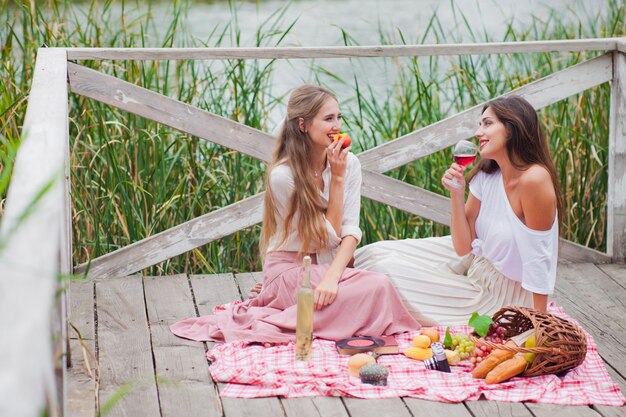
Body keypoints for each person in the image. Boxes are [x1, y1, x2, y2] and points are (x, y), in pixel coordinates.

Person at [171, 85, 418, 344]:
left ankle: (305, 313)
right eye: (328, 118)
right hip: (290, 268)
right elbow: (326, 238)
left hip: (327, 266)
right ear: (303, 124)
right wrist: (337, 179)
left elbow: (350, 230)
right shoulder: (284, 177)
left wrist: (332, 277)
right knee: (373, 289)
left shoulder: (350, 163)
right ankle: (280, 318)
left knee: (379, 285)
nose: (337, 126)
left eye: (338, 117)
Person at [354, 95, 562, 327]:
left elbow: (539, 258)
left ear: (513, 127)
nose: (478, 132)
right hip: (477, 261)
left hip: (500, 295)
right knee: (374, 253)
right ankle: (327, 290)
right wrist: (456, 193)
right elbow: (463, 246)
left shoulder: (534, 179)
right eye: (480, 124)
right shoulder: (487, 175)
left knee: (386, 270)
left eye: (487, 123)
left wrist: (540, 325)